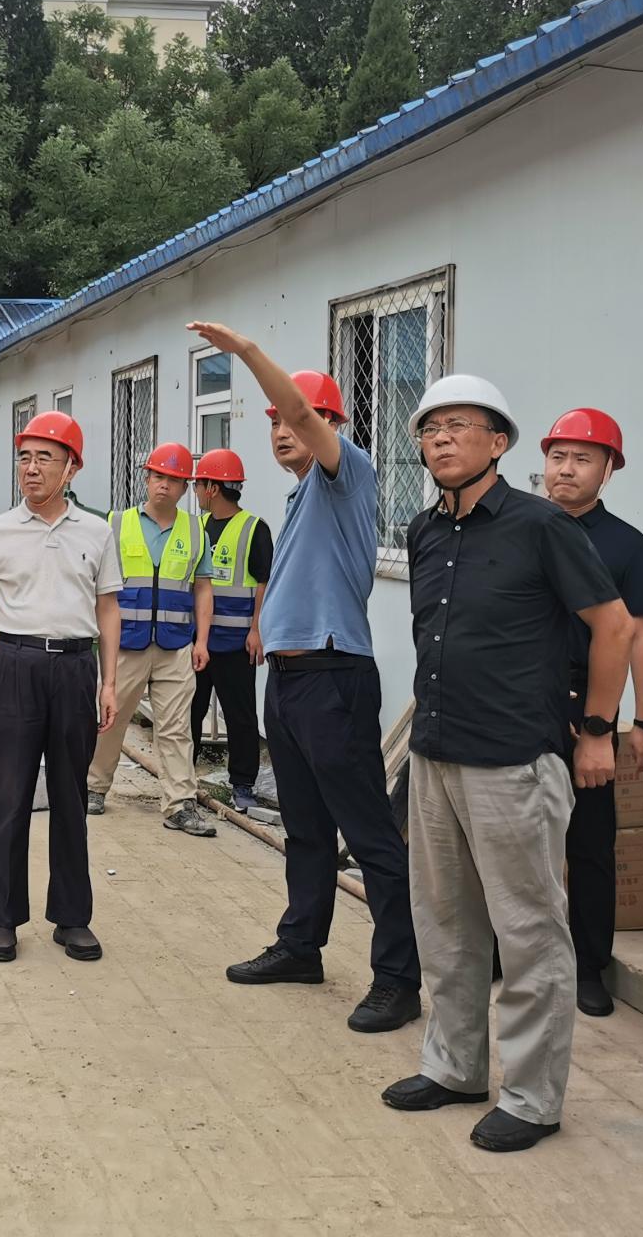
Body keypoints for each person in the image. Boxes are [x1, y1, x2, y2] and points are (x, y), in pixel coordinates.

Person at [382, 375, 629, 1155]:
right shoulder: (424, 530)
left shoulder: (541, 525)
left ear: (498, 443)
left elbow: (614, 626)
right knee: (447, 925)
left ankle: (532, 1096)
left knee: (527, 932)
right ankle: (455, 1067)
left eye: (459, 426)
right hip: (436, 754)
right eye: (430, 429)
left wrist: (597, 732)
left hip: (514, 760)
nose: (441, 439)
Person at [187, 322, 420, 1035]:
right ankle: (301, 946)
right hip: (288, 678)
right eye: (275, 425)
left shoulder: (347, 475)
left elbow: (301, 414)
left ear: (331, 426)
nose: (284, 431)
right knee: (306, 828)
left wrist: (246, 354)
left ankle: (399, 979)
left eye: (299, 420)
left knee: (370, 835)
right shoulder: (298, 498)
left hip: (332, 674)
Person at [0, 410, 120, 965]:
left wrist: (109, 682)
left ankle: (72, 917)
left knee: (71, 798)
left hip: (75, 669)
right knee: (7, 798)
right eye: (24, 458)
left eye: (44, 459)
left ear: (71, 468)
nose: (30, 469)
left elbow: (108, 608)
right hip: (14, 664)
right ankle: (2, 918)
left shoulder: (97, 531)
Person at [540, 408, 643, 1017]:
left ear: (609, 469)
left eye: (582, 459)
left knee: (589, 840)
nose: (566, 469)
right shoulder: (519, 526)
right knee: (511, 835)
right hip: (515, 703)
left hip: (588, 707)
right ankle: (504, 950)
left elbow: (640, 636)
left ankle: (589, 964)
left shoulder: (625, 544)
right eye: (557, 457)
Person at [85, 441, 215, 834]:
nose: (164, 485)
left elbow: (203, 588)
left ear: (184, 487)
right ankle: (93, 787)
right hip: (125, 643)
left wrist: (202, 641)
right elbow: (98, 585)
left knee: (175, 727)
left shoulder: (195, 530)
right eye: (158, 476)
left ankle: (180, 803)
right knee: (110, 719)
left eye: (173, 480)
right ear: (147, 479)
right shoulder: (117, 523)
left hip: (175, 645)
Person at [187, 447, 273, 813]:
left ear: (212, 488)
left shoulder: (254, 529)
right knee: (188, 713)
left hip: (237, 642)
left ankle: (242, 784)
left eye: (198, 484)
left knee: (240, 717)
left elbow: (264, 583)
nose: (195, 491)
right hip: (198, 642)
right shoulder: (196, 527)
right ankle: (182, 779)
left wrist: (257, 630)